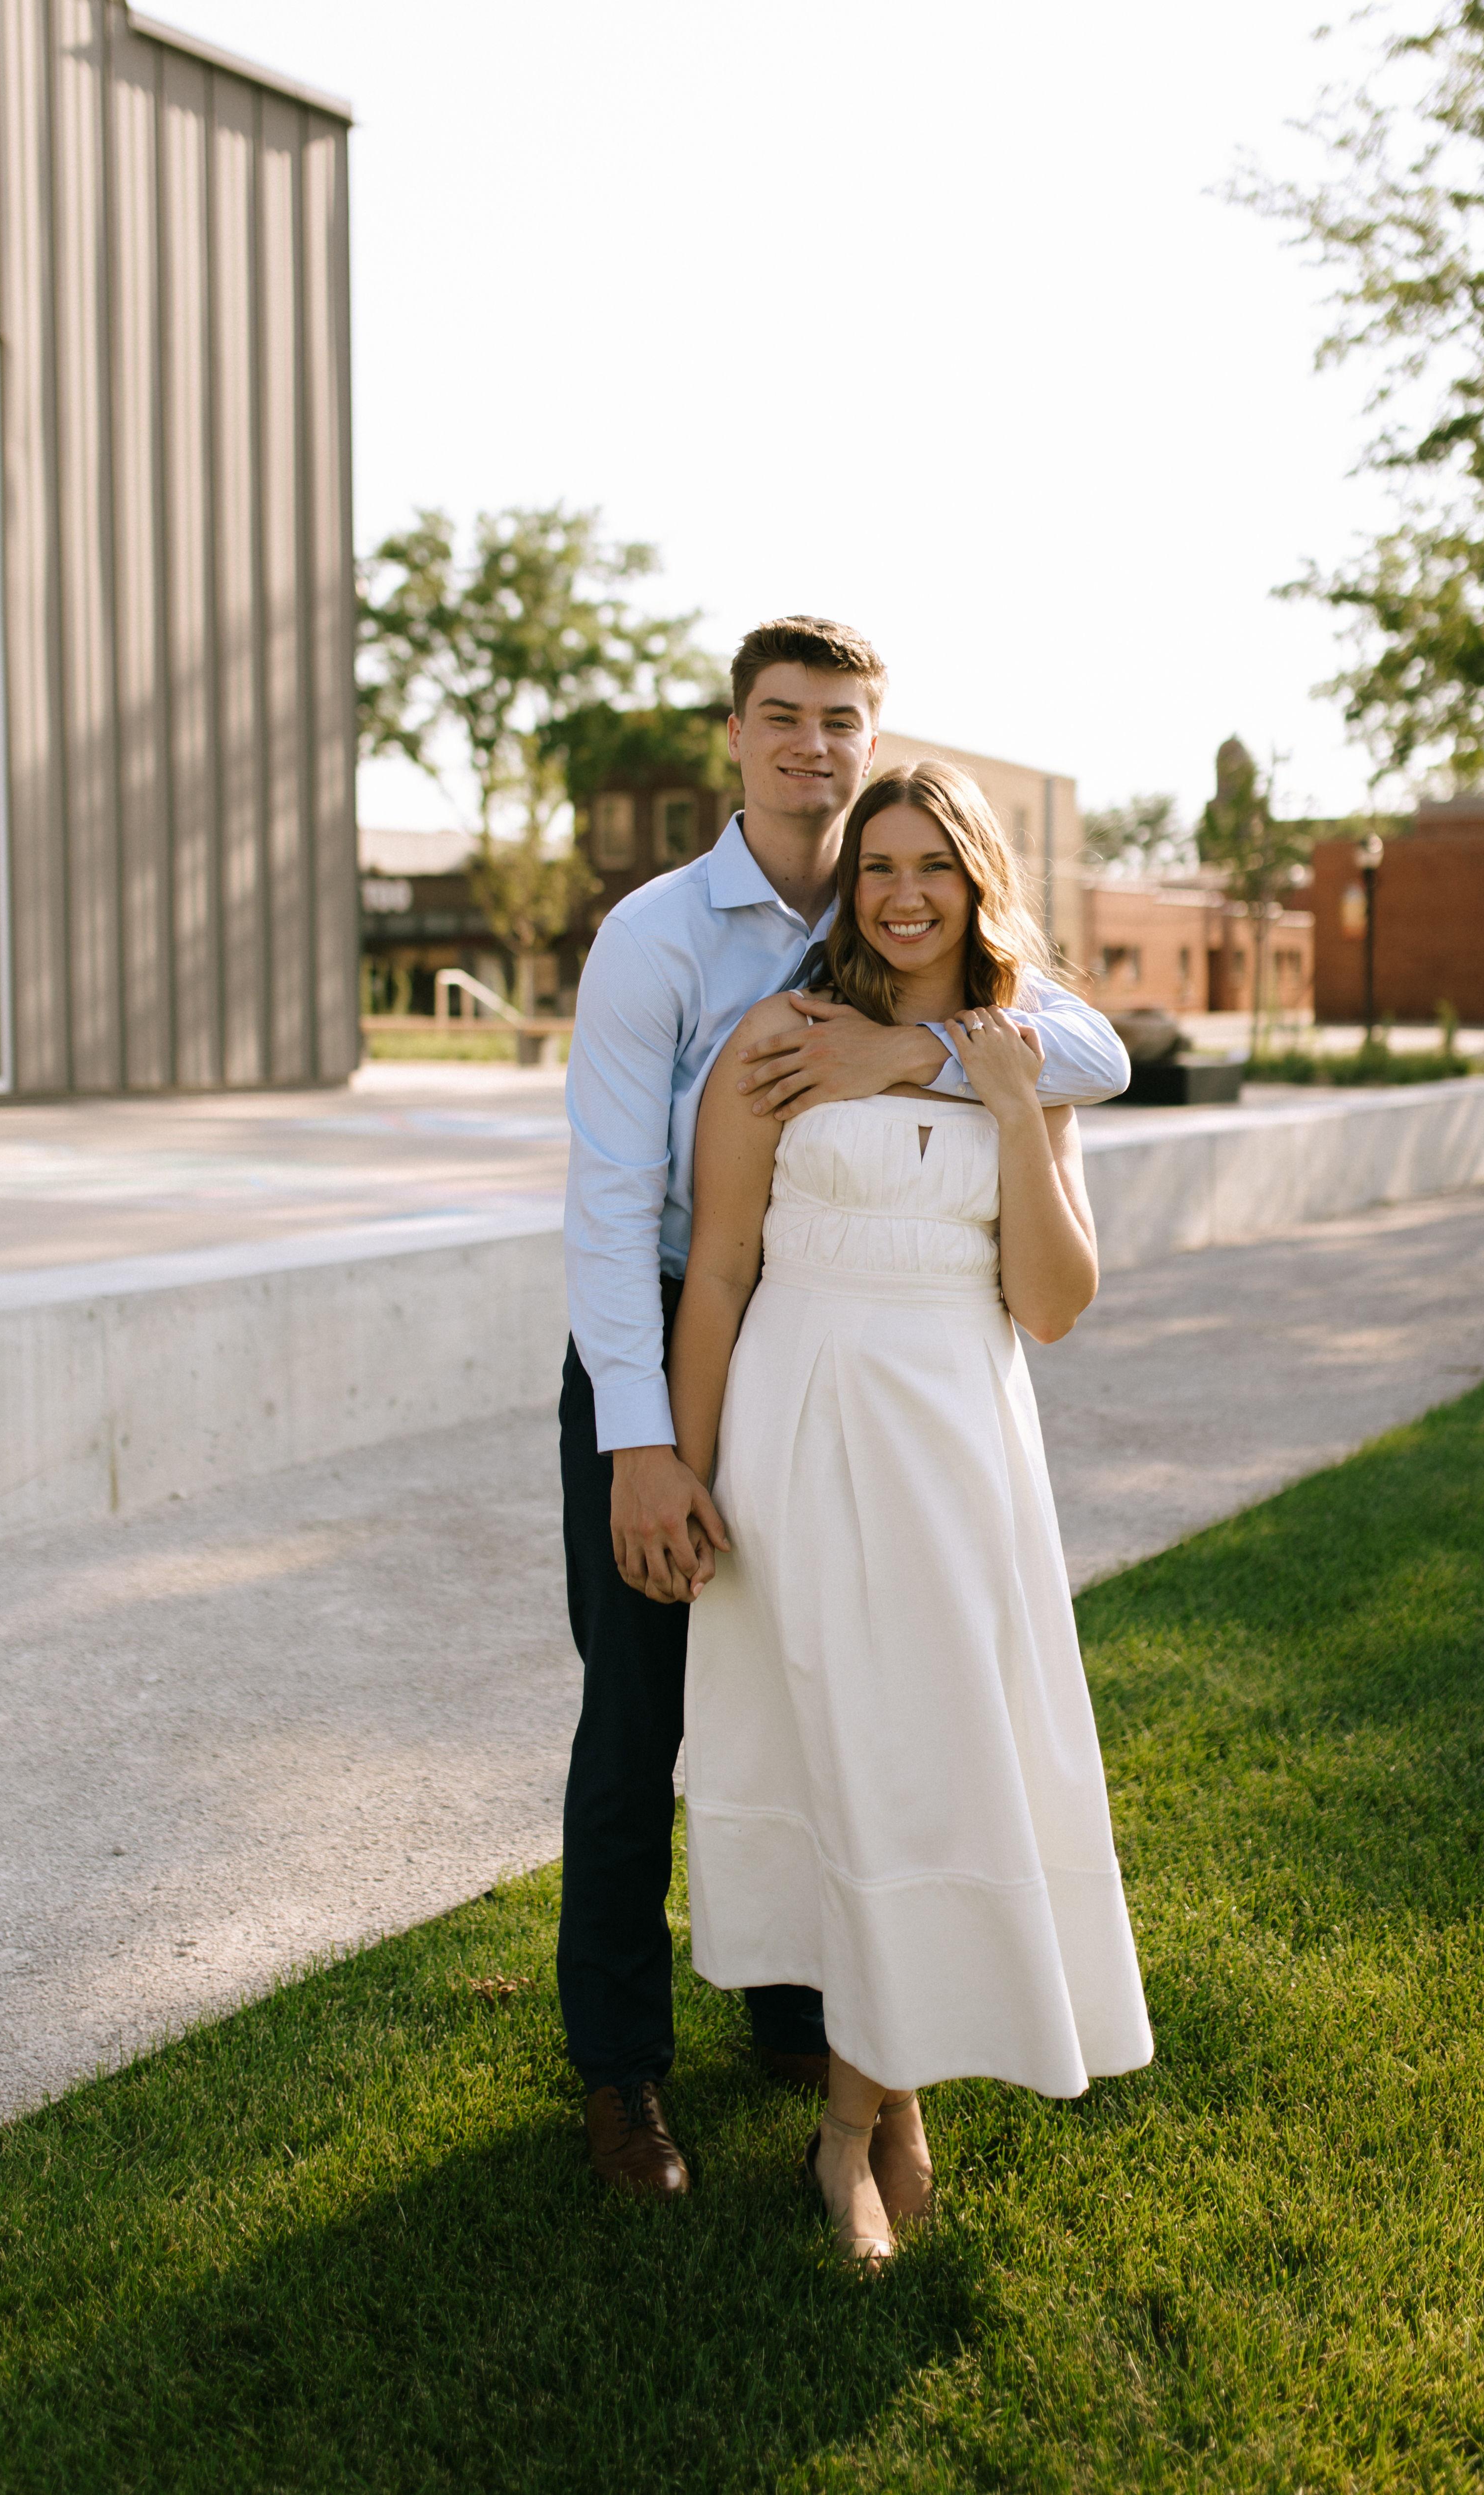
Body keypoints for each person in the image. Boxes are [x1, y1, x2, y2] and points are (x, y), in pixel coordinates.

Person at [558, 618, 1130, 2199]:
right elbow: (615, 1217)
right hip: (669, 1348)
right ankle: (621, 2073)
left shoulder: (893, 915)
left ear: (873, 745)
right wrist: (648, 1447)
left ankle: (811, 2024)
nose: (810, 743)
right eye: (781, 715)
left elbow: (1087, 1050)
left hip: (877, 1370)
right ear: (736, 735)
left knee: (849, 1706)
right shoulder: (658, 936)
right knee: (642, 1720)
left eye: (839, 720)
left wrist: (908, 1050)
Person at [668, 758, 1155, 2268]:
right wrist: (681, 1471)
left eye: (930, 865)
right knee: (851, 1765)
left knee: (937, 1760)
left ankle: (868, 2111)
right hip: (802, 1424)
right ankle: (868, 2122)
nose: (900, 893)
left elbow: (1051, 1305)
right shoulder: (781, 1037)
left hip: (958, 1439)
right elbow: (721, 1268)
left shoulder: (1027, 1057)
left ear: (974, 879)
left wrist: (1004, 1102)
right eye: (875, 864)